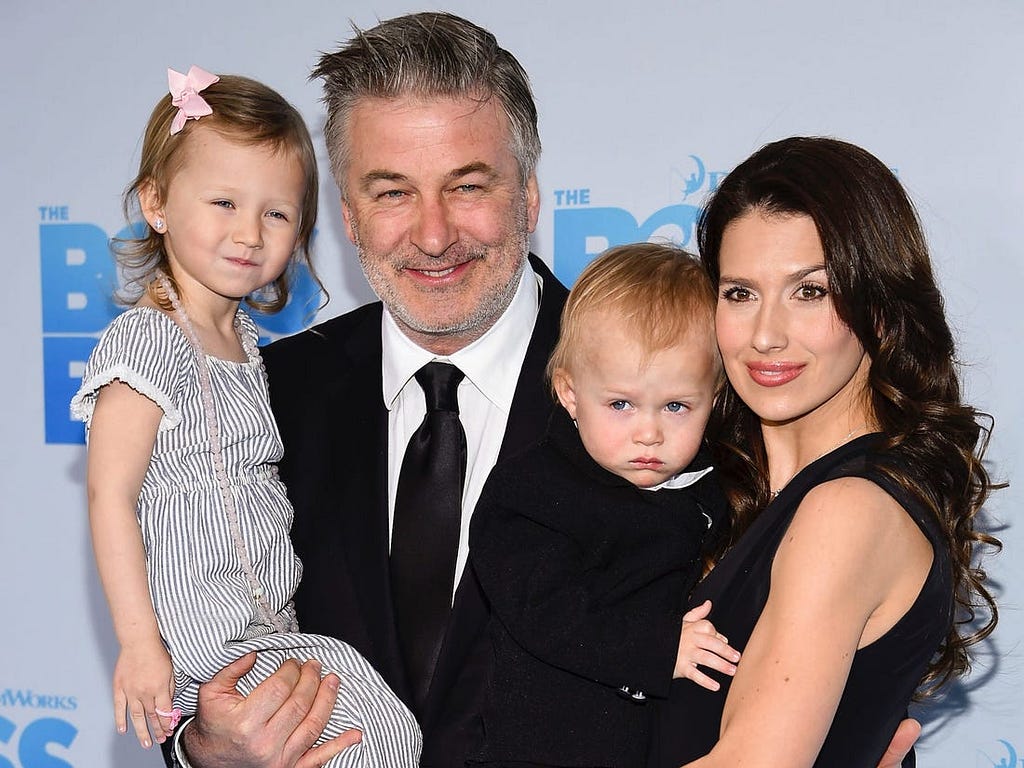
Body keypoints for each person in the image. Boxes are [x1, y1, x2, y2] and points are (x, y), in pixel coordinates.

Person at [165, 14, 923, 768]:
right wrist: (205, 746)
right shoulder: (264, 392)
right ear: (350, 218)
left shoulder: (696, 387)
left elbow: (811, 667)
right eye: (393, 193)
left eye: (468, 186)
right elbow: (204, 626)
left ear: (529, 198)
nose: (433, 235)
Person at [71, 66, 420, 766]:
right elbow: (110, 495)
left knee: (388, 735)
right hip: (207, 638)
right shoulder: (147, 338)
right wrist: (140, 647)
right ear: (157, 203)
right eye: (224, 202)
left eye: (277, 212)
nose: (249, 233)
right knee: (370, 743)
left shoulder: (253, 349)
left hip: (268, 626)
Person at [647, 136, 1000, 767]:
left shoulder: (848, 510)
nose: (765, 334)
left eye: (810, 291)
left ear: (880, 305)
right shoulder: (716, 500)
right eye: (739, 292)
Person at [469, 244, 740, 767]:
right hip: (544, 750)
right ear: (570, 393)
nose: (649, 433)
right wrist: (659, 649)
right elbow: (545, 613)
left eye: (677, 406)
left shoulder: (716, 486)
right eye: (620, 404)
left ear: (715, 396)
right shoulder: (530, 493)